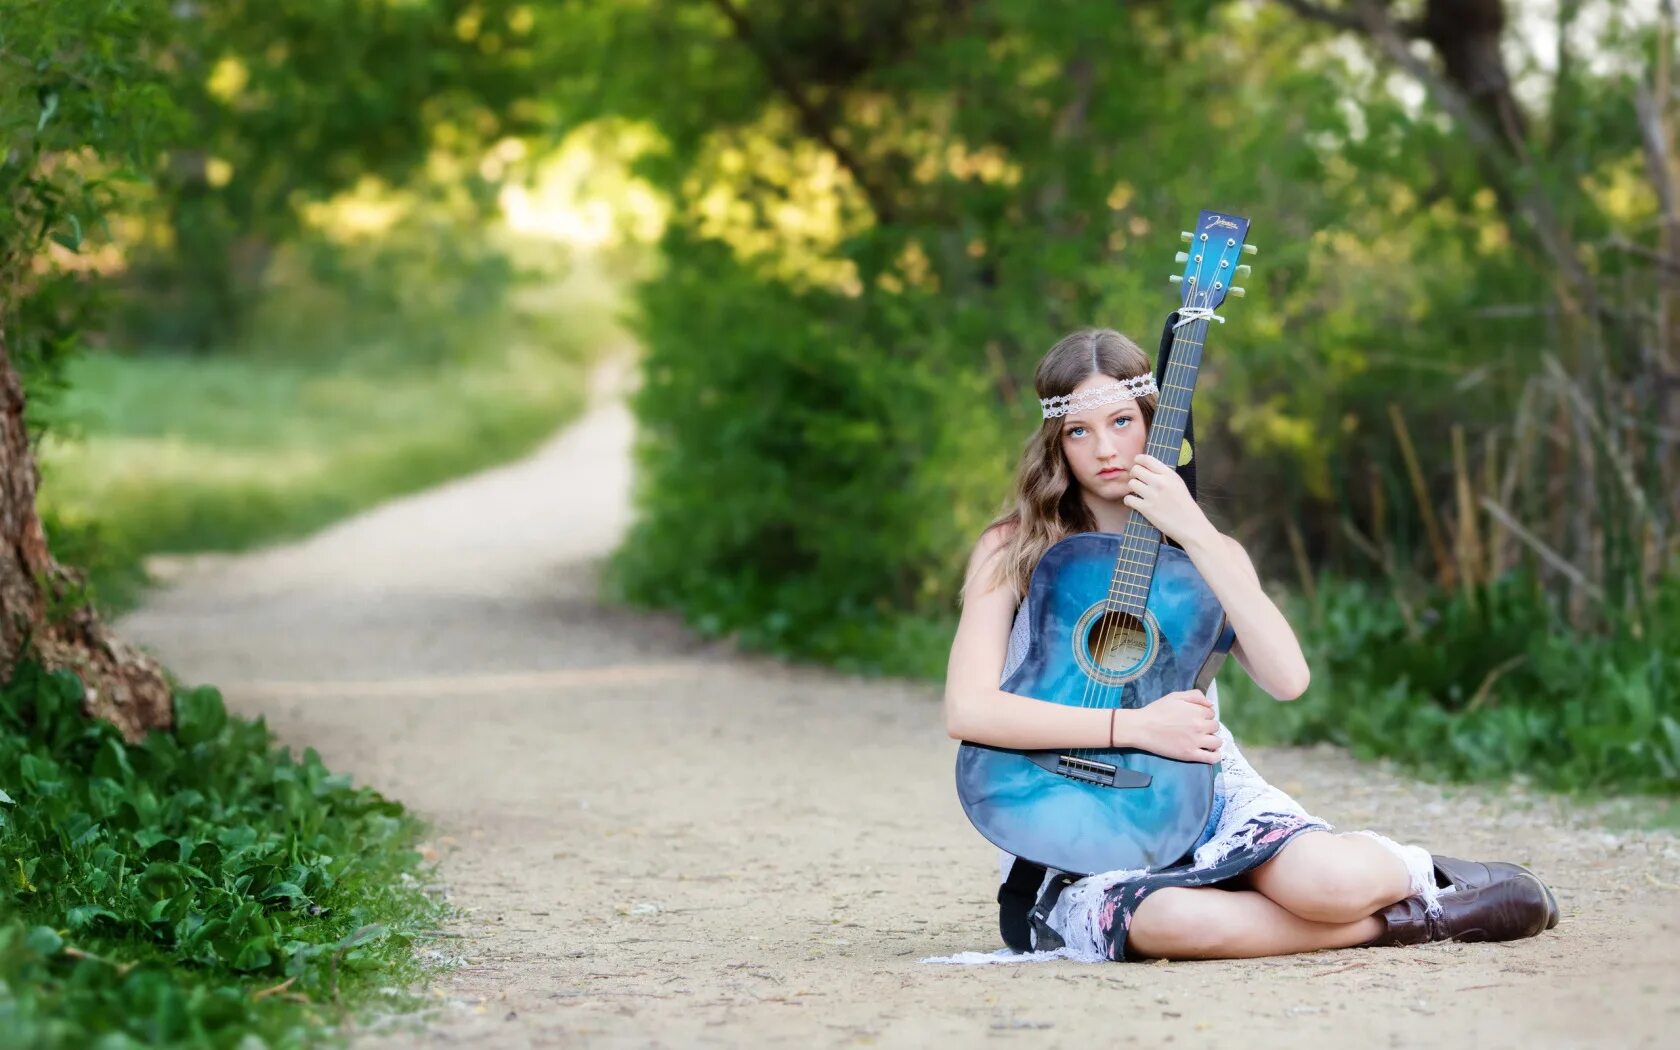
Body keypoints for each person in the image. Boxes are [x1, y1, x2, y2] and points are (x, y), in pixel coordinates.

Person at [942, 327, 1556, 962]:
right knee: (1167, 924)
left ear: (1156, 423)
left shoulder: (1207, 554)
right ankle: (1420, 920)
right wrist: (1133, 725)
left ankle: (1424, 874)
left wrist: (1197, 532)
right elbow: (969, 710)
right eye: (1080, 431)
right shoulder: (1012, 547)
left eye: (1122, 422)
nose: (1105, 449)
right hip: (1062, 807)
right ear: (1055, 443)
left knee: (1331, 884)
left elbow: (1289, 679)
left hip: (1198, 785)